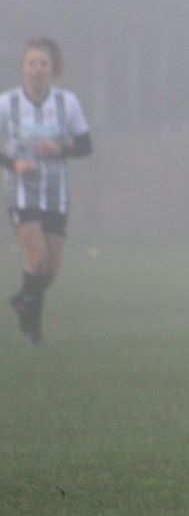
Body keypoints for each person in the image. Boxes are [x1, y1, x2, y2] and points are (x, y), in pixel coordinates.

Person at [2, 37, 92, 346]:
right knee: (36, 256)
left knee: (49, 271)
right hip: (22, 191)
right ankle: (34, 332)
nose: (37, 69)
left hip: (56, 192)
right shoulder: (7, 103)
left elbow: (85, 146)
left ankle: (22, 300)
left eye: (44, 64)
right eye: (32, 63)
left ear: (53, 69)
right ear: (22, 67)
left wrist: (60, 147)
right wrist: (15, 164)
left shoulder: (67, 103)